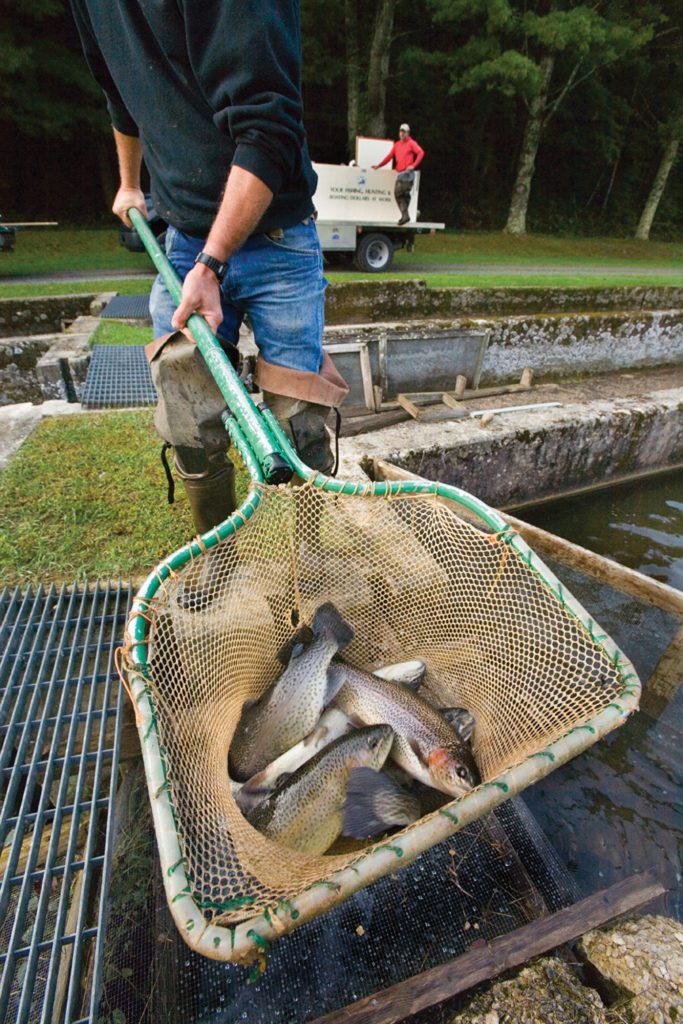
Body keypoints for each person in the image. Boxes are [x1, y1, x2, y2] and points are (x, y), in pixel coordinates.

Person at [70, 1, 347, 535]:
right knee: (187, 412)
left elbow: (269, 126)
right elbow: (122, 93)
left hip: (279, 236)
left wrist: (211, 264)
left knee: (301, 417)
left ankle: (310, 560)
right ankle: (219, 556)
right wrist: (129, 183)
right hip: (184, 238)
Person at [372, 124, 425, 225]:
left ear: (408, 133)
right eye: (401, 131)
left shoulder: (411, 143)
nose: (402, 134)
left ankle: (405, 216)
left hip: (406, 173)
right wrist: (379, 165)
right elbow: (389, 157)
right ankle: (405, 216)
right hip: (401, 173)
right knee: (404, 195)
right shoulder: (397, 145)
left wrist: (413, 165)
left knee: (398, 194)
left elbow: (421, 153)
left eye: (404, 132)